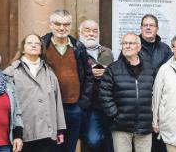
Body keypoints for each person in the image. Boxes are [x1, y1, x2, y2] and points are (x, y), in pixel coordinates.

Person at [41, 9, 96, 152]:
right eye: (58, 24)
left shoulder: (78, 47)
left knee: (70, 148)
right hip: (50, 108)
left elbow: (89, 76)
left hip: (73, 108)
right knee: (52, 148)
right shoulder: (43, 46)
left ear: (70, 26)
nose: (61, 28)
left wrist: (82, 103)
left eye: (66, 24)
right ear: (51, 25)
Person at [3, 34, 66, 152]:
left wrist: (60, 129)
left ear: (41, 49)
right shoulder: (11, 72)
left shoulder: (49, 72)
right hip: (23, 133)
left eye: (37, 43)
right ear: (22, 49)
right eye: (29, 43)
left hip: (47, 133)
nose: (33, 45)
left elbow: (57, 102)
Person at [100, 32, 156, 152]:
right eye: (124, 43)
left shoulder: (150, 68)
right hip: (121, 126)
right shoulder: (113, 69)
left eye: (131, 43)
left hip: (144, 125)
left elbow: (156, 93)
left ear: (139, 47)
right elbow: (105, 94)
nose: (127, 46)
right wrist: (115, 114)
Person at [137, 14, 173, 152]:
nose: (148, 27)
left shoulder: (165, 49)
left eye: (151, 25)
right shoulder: (134, 46)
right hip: (141, 100)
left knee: (160, 142)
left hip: (162, 101)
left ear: (157, 29)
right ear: (140, 28)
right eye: (145, 25)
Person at [79, 19, 115, 152]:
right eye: (87, 30)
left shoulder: (107, 52)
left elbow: (115, 74)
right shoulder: (75, 51)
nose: (91, 34)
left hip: (108, 104)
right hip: (89, 105)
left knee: (110, 140)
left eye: (95, 31)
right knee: (94, 140)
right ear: (80, 32)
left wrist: (107, 71)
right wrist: (89, 72)